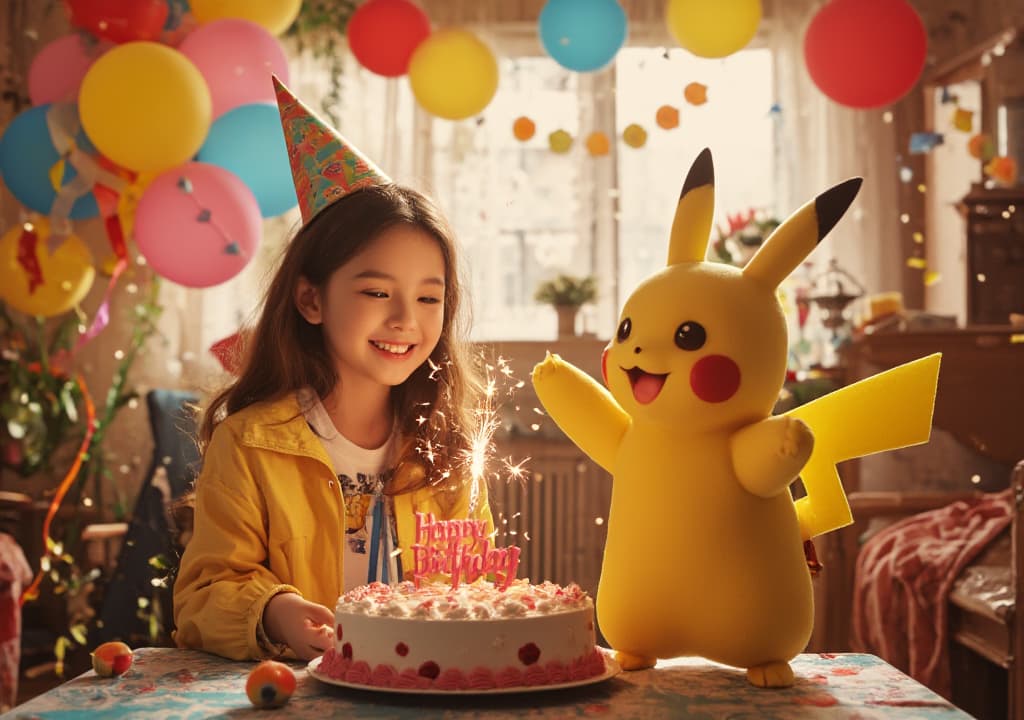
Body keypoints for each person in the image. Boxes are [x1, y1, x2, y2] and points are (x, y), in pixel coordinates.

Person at [173, 78, 493, 662]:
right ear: (311, 300)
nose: (405, 319)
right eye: (377, 291)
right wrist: (273, 612)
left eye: (429, 298)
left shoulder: (447, 449)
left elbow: (477, 591)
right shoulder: (249, 443)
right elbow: (202, 594)